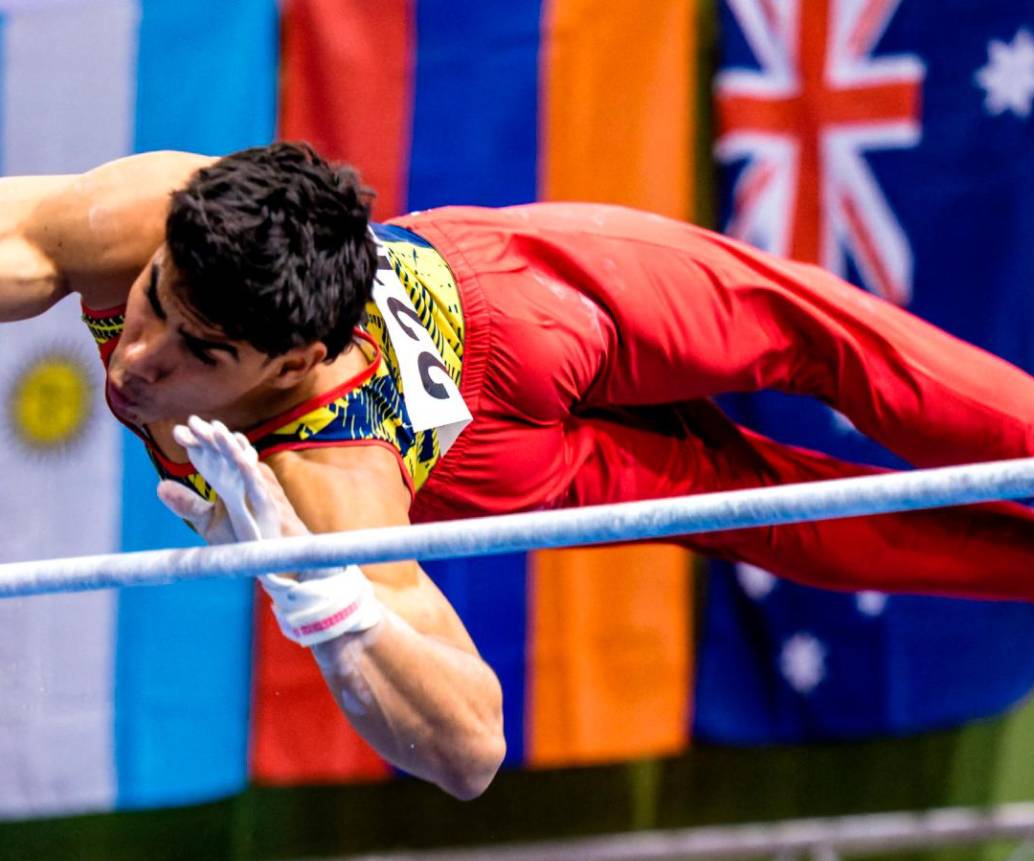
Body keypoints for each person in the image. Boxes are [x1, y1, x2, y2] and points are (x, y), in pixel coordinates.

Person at [3, 142, 1034, 798]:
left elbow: (470, 747)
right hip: (506, 453)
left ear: (295, 361)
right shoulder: (150, 214)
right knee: (787, 516)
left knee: (829, 335)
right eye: (150, 300)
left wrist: (320, 595)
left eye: (200, 352)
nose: (141, 357)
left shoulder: (328, 484)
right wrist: (315, 592)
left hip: (536, 295)